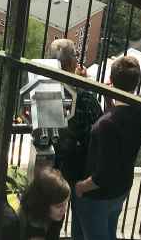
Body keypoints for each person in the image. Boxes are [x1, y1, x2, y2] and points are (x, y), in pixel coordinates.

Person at [72, 55, 141, 240]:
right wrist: (110, 99)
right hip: (121, 188)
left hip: (98, 195)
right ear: (136, 82)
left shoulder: (104, 125)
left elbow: (102, 176)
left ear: (111, 80)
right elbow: (121, 116)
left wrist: (80, 187)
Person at [49, 39, 104, 187]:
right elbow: (99, 121)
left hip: (50, 160)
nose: (78, 58)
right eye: (76, 54)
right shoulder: (84, 97)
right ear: (70, 62)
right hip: (75, 166)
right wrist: (84, 85)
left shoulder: (44, 83)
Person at [0, 167, 71, 240]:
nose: (64, 209)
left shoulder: (56, 215)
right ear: (44, 204)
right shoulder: (29, 221)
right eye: (58, 206)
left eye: (66, 203)